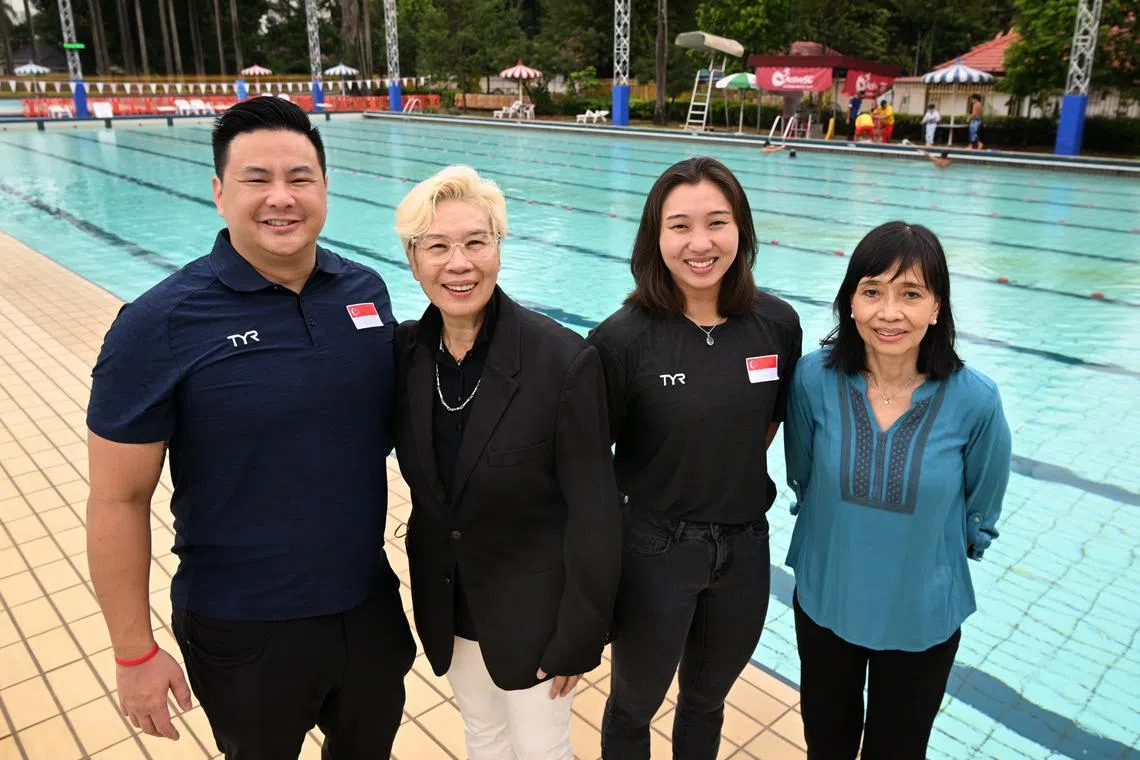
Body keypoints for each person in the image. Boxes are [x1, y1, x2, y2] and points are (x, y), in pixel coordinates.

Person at [86, 97, 415, 759]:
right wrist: (133, 654)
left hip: (367, 602)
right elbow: (118, 499)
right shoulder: (158, 323)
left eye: (299, 178)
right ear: (218, 192)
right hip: (244, 627)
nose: (281, 198)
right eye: (256, 179)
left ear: (325, 187)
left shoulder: (366, 291)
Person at [391, 165, 622, 760]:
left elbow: (596, 511)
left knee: (542, 750)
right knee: (484, 737)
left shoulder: (561, 362)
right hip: (451, 601)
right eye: (436, 246)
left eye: (475, 242)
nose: (458, 263)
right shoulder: (406, 356)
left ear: (499, 247)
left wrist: (581, 635)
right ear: (413, 260)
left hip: (537, 613)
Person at [589, 156, 802, 760]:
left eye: (718, 222)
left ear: (742, 230)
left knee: (708, 701)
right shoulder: (621, 340)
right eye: (680, 225)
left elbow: (764, 423)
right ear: (655, 237)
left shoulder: (777, 324)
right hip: (655, 550)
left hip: (744, 550)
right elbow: (587, 459)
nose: (700, 243)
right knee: (633, 706)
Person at [783, 221, 1012, 760]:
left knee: (899, 749)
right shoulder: (813, 379)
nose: (890, 313)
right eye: (872, 292)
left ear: (937, 308)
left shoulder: (975, 399)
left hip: (922, 611)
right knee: (827, 742)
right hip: (826, 599)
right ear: (850, 303)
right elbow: (802, 473)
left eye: (911, 294)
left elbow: (982, 506)